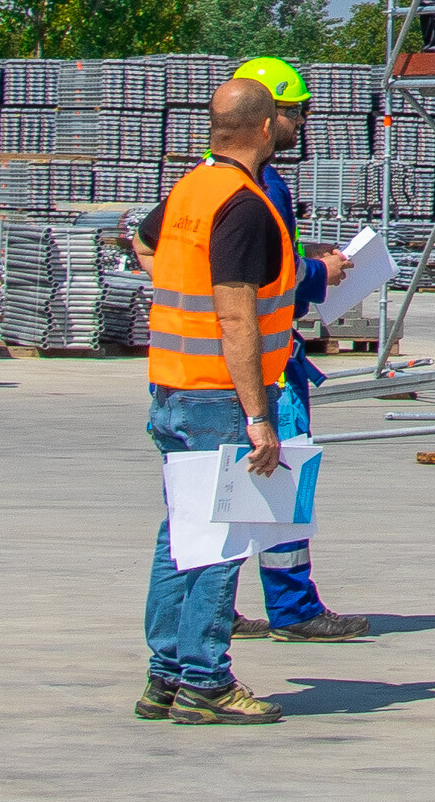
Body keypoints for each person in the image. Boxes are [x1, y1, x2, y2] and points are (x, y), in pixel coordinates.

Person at [131, 75, 302, 725]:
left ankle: (166, 674)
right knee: (222, 539)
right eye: (284, 115)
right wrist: (259, 416)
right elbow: (236, 318)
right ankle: (204, 679)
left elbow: (144, 242)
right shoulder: (245, 204)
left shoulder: (190, 189)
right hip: (219, 397)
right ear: (263, 128)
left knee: (182, 533)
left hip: (171, 385)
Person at [217, 56, 372, 645]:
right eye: (296, 111)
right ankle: (293, 607)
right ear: (267, 115)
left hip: (231, 361)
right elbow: (272, 274)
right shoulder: (260, 188)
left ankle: (216, 603)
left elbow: (148, 243)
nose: (302, 122)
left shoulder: (208, 179)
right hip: (268, 364)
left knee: (229, 486)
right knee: (283, 478)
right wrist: (319, 272)